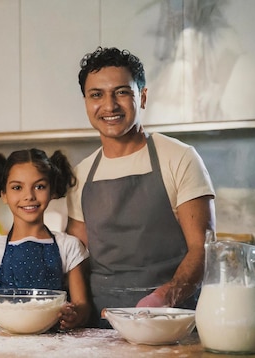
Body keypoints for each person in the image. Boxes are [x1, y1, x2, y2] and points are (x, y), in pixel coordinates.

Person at [66, 47, 216, 328]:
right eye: (96, 94)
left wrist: (163, 299)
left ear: (142, 97)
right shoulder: (81, 174)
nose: (109, 106)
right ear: (86, 102)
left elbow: (203, 249)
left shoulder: (179, 157)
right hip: (100, 323)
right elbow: (76, 257)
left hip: (168, 320)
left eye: (122, 92)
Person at [0, 149, 90, 330]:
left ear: (52, 190)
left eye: (39, 186)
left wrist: (74, 315)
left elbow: (83, 306)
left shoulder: (68, 246)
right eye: (17, 187)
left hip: (54, 346)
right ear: (4, 194)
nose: (29, 196)